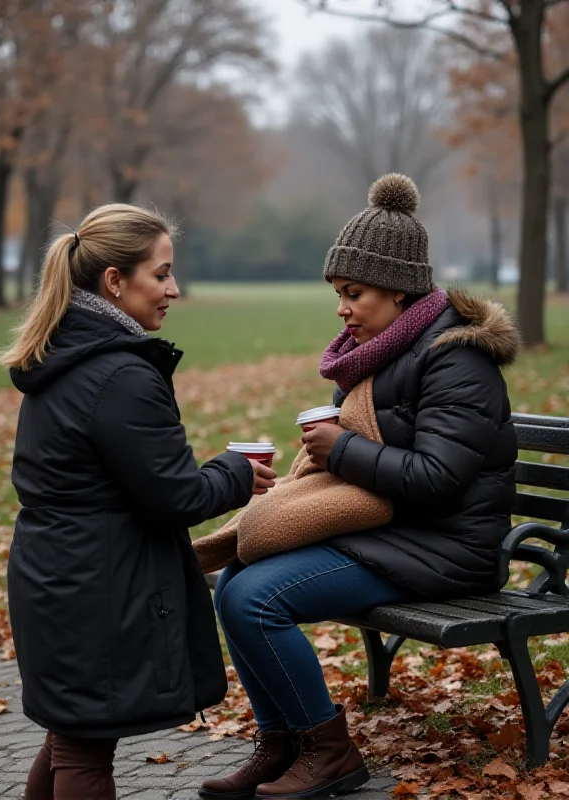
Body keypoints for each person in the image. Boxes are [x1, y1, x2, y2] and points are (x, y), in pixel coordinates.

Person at [199, 173, 520, 800]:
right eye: (338, 294)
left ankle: (330, 755)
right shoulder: (385, 352)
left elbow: (438, 477)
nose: (342, 309)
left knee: (254, 599)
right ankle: (281, 743)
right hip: (394, 533)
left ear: (399, 292)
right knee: (235, 581)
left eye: (354, 293)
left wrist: (341, 449)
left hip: (447, 547)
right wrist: (335, 454)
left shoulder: (456, 358)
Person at [0, 203, 276, 800]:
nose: (173, 288)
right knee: (81, 747)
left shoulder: (65, 357)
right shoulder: (118, 374)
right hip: (95, 587)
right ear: (115, 282)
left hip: (60, 574)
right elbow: (176, 495)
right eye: (162, 273)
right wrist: (235, 470)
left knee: (71, 737)